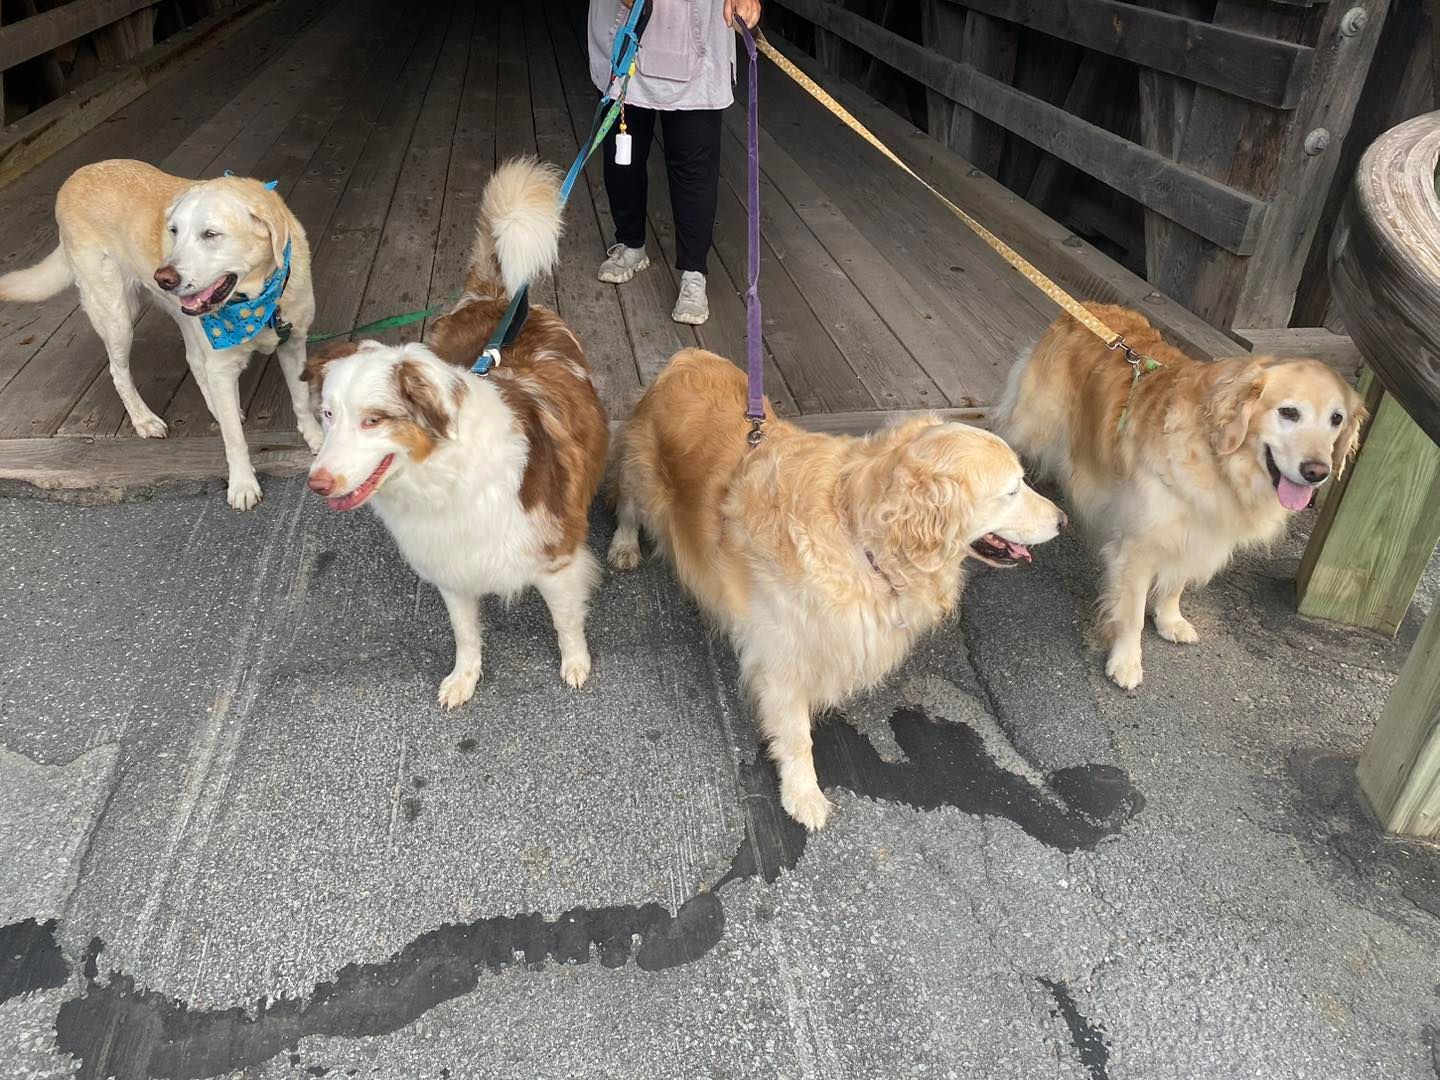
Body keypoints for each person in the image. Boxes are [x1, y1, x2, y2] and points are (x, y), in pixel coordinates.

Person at [588, 0, 761, 325]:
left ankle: (694, 272)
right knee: (623, 150)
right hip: (627, 31)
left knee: (694, 162)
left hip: (699, 32)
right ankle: (630, 242)